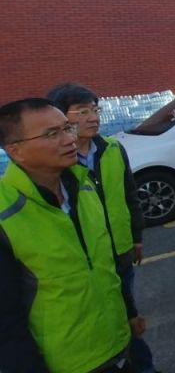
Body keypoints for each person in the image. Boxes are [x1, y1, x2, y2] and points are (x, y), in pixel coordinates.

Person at [0, 98, 135, 372]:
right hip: (67, 364)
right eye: (52, 134)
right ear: (16, 150)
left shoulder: (84, 186)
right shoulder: (6, 213)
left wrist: (130, 312)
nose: (69, 139)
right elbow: (6, 320)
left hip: (118, 346)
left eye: (67, 128)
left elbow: (105, 263)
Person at [47, 83, 154, 372]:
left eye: (95, 110)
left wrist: (136, 237)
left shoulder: (113, 149)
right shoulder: (58, 163)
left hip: (120, 250)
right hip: (88, 260)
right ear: (61, 118)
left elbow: (129, 194)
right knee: (108, 319)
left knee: (126, 311)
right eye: (82, 112)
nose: (93, 118)